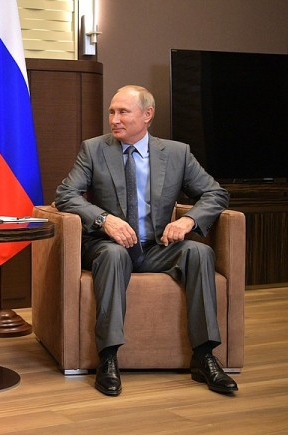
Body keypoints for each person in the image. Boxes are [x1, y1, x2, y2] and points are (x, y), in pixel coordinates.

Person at [55, 85, 238, 397]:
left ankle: (204, 356)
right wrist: (104, 219)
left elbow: (215, 193)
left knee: (199, 252)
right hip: (108, 246)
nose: (114, 119)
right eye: (112, 112)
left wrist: (188, 220)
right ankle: (108, 358)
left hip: (156, 247)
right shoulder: (94, 149)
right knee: (113, 255)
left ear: (147, 115)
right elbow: (65, 194)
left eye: (123, 112)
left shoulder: (177, 153)